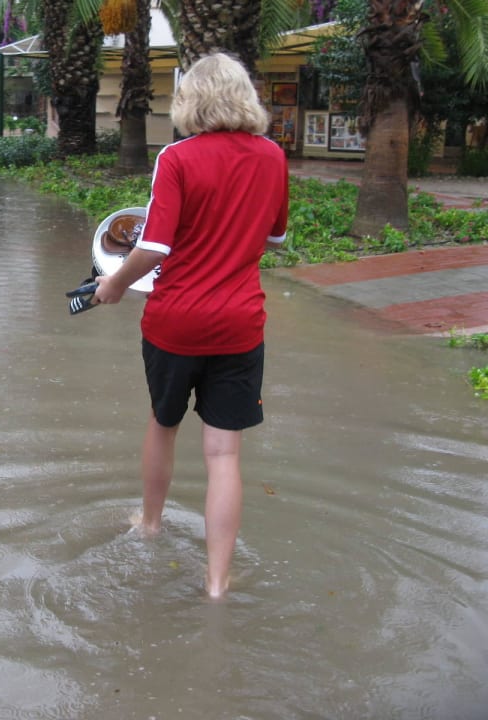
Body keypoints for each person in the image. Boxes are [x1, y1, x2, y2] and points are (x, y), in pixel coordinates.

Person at [92, 53, 289, 599]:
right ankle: (218, 584)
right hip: (241, 323)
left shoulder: (177, 157)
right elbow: (275, 238)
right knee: (224, 455)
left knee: (164, 423)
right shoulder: (273, 156)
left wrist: (114, 284)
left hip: (176, 322)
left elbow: (155, 246)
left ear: (190, 100)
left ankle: (150, 524)